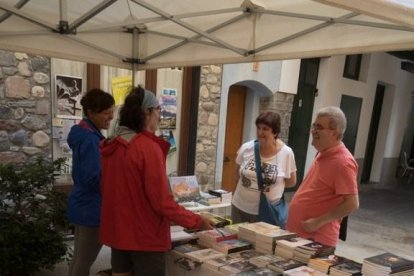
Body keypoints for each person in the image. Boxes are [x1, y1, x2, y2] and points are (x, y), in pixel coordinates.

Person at [99, 86, 212, 276]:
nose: (160, 115)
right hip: (145, 238)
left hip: (118, 233)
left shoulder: (111, 144)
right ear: (147, 112)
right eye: (158, 109)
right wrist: (197, 221)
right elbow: (162, 202)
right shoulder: (146, 148)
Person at [286, 106, 359, 247]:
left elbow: (352, 203)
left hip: (316, 240)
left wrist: (317, 222)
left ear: (335, 132)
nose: (313, 131)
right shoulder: (323, 152)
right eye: (314, 125)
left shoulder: (343, 162)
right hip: (300, 235)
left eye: (319, 127)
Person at [67, 88, 115, 276]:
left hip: (83, 205)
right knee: (82, 262)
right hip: (92, 209)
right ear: (90, 112)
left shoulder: (86, 133)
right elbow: (93, 179)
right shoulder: (89, 139)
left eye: (112, 110)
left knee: (79, 259)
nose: (111, 117)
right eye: (106, 112)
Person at [231, 111, 297, 225]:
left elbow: (291, 181)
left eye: (265, 129)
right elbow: (236, 174)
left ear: (275, 132)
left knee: (261, 242)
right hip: (240, 207)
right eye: (258, 128)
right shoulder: (247, 148)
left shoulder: (286, 153)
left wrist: (272, 185)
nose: (260, 132)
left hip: (267, 212)